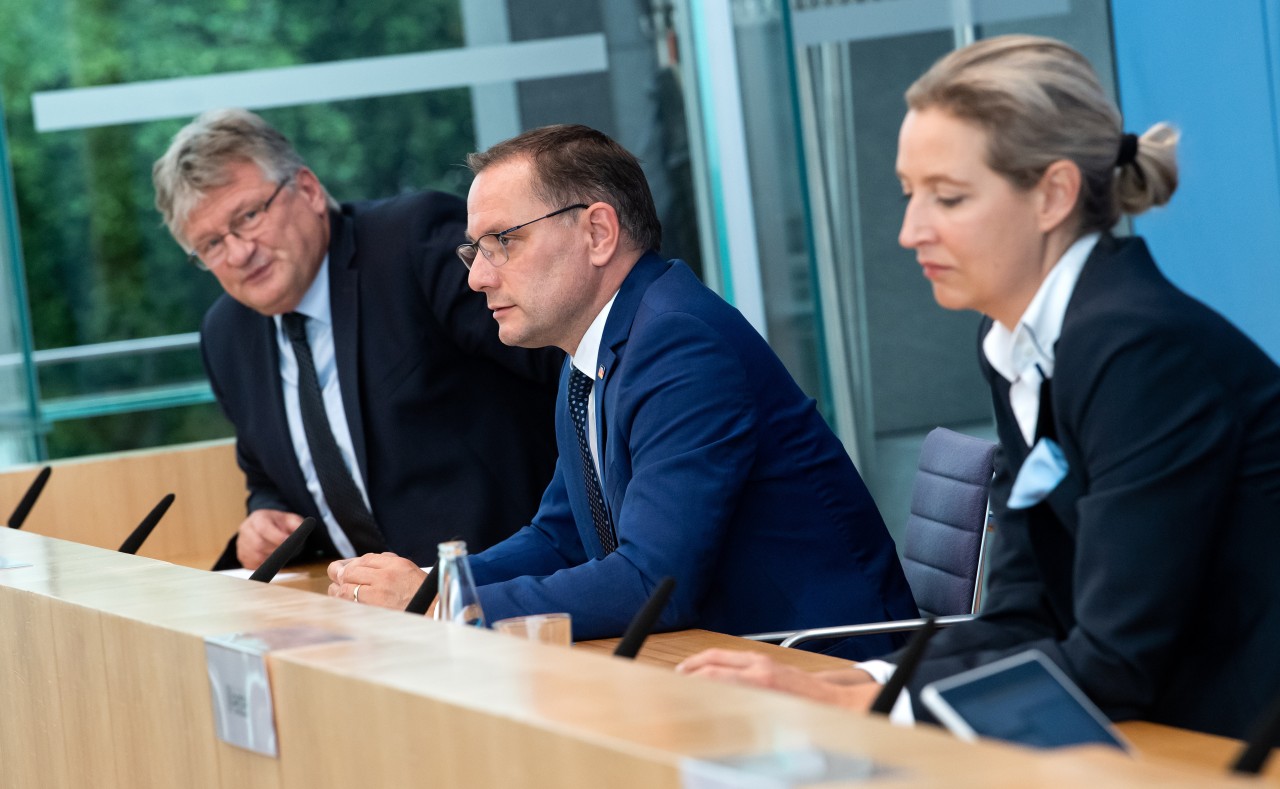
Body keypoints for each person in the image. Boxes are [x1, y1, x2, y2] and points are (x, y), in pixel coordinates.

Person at [678, 35, 1280, 739]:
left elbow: (1116, 659)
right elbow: (1025, 612)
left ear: (1053, 193)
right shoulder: (1019, 343)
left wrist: (862, 706)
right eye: (909, 194)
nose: (909, 231)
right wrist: (859, 679)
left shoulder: (1138, 348)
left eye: (949, 197)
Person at [328, 124, 917, 657]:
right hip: (721, 657)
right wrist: (434, 587)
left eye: (502, 241)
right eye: (473, 251)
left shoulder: (678, 344)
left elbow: (655, 582)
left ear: (599, 232)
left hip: (814, 666)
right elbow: (559, 538)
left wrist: (445, 607)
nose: (478, 277)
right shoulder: (598, 348)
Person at [152, 109, 561, 572]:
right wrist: (264, 521)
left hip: (512, 580)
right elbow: (270, 475)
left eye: (248, 217)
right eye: (211, 245)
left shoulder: (412, 243)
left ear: (306, 190)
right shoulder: (227, 335)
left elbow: (563, 362)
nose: (239, 253)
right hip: (362, 610)